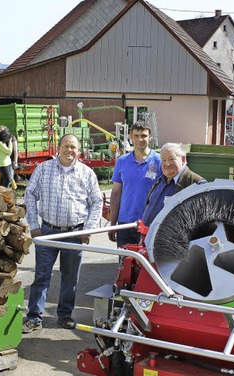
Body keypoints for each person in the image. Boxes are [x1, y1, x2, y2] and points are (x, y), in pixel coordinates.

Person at [22, 134, 103, 333]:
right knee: (42, 275)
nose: (69, 150)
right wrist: (33, 224)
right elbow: (29, 194)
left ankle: (65, 314)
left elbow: (96, 202)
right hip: (48, 232)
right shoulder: (44, 169)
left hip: (75, 233)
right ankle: (34, 317)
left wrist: (88, 228)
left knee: (70, 277)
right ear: (58, 148)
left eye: (73, 147)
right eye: (66, 146)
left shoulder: (86, 173)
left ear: (79, 151)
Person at [107, 121, 161, 247]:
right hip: (125, 223)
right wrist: (113, 225)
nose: (140, 139)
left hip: (150, 223)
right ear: (130, 136)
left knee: (147, 264)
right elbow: (116, 194)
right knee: (124, 263)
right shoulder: (122, 161)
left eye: (143, 136)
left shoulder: (159, 161)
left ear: (150, 136)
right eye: (136, 136)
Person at [142, 143, 206, 227]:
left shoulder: (196, 184)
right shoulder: (161, 180)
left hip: (172, 239)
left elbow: (201, 219)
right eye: (164, 160)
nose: (167, 164)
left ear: (183, 160)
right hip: (148, 237)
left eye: (171, 159)